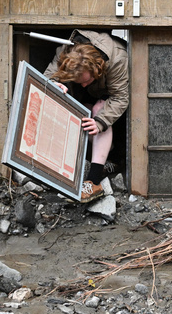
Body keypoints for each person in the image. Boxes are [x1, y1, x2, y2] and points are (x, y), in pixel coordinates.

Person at [44, 29, 129, 202]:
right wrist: (55, 84)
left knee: (99, 111)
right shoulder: (65, 52)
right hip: (93, 93)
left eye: (85, 81)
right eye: (78, 82)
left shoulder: (117, 58)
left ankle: (94, 181)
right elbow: (47, 77)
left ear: (96, 67)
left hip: (113, 92)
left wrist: (100, 123)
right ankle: (104, 156)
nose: (82, 85)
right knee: (82, 109)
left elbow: (120, 97)